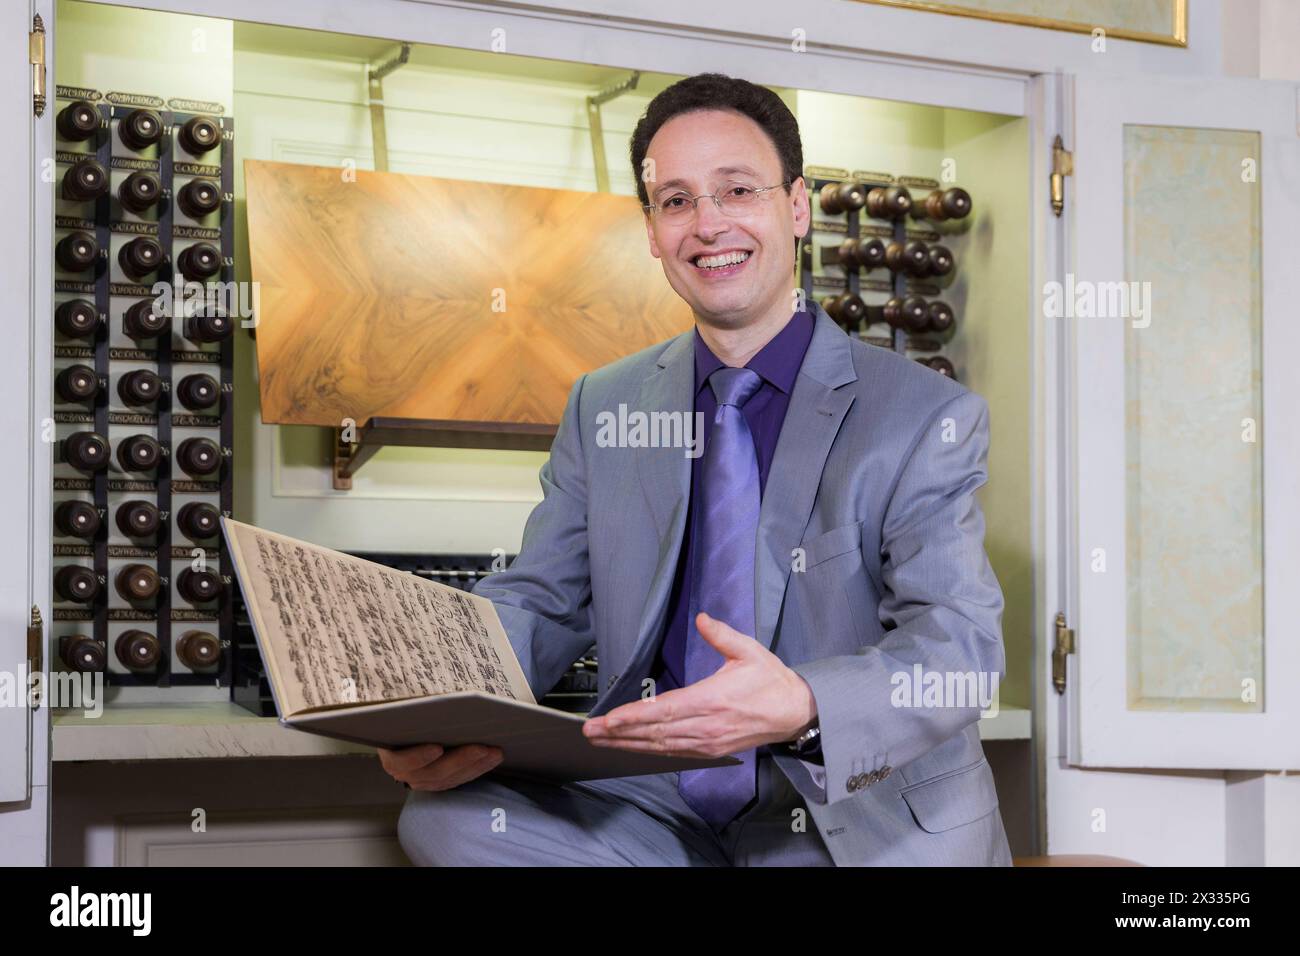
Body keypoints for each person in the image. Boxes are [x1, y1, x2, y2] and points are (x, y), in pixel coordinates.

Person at [384, 72, 1012, 866]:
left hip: (844, 806)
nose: (708, 224)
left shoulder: (922, 414)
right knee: (442, 818)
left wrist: (802, 703)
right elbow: (542, 600)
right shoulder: (602, 403)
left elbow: (960, 649)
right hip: (657, 805)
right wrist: (430, 706)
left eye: (737, 190)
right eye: (676, 200)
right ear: (651, 230)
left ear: (796, 207)